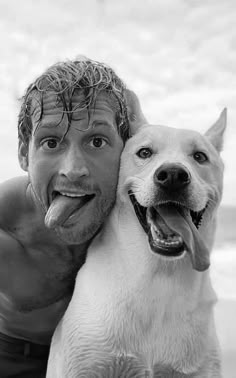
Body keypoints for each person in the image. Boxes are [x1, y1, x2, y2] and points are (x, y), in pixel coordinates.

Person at [0, 57, 131, 377]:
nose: (73, 170)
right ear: (23, 154)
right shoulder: (5, 222)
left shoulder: (137, 218)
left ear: (126, 151)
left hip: (100, 361)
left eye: (97, 141)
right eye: (51, 141)